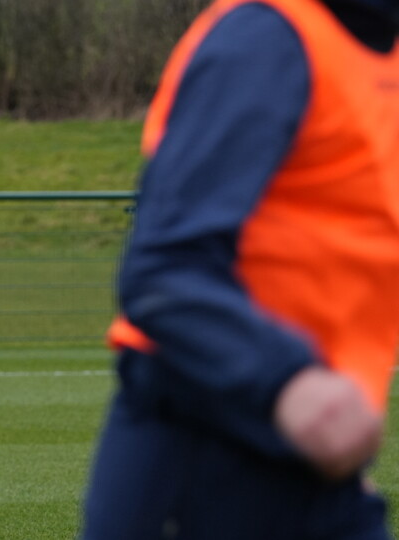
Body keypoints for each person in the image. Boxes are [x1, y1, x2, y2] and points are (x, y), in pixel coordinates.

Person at [81, 0, 399, 538]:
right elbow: (164, 272)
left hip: (312, 460)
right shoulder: (266, 38)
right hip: (202, 443)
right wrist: (292, 384)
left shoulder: (377, 47)